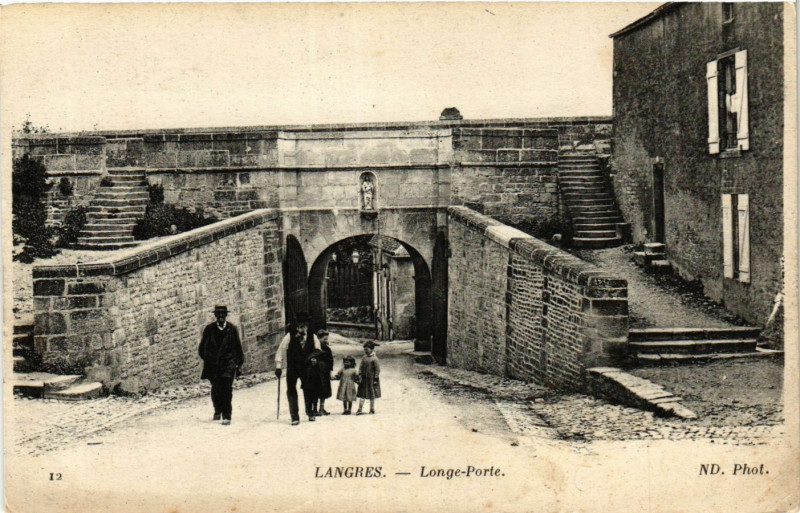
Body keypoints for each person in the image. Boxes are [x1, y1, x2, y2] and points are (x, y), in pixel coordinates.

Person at [198, 305, 244, 426]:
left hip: (228, 364)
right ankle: (217, 409)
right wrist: (209, 360)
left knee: (227, 389)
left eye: (223, 314)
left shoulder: (232, 329)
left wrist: (238, 364)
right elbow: (202, 349)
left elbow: (238, 347)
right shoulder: (209, 329)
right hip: (214, 365)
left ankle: (227, 415)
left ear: (226, 315)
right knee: (216, 389)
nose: (221, 317)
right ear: (215, 316)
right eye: (218, 315)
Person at [274, 313, 320, 426]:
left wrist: (315, 358)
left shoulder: (312, 336)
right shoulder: (290, 336)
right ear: (297, 324)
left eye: (304, 323)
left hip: (307, 368)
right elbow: (281, 350)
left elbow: (318, 350)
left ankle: (309, 412)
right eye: (300, 323)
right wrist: (278, 366)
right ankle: (294, 417)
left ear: (307, 324)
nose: (302, 326)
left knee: (309, 389)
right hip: (292, 368)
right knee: (291, 390)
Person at [355, 341, 381, 415]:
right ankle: (360, 409)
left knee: (371, 394)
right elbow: (360, 367)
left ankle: (372, 409)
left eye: (367, 349)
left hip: (371, 379)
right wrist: (360, 374)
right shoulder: (364, 357)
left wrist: (375, 378)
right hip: (364, 379)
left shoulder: (375, 359)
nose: (365, 351)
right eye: (364, 349)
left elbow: (377, 369)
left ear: (372, 349)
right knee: (362, 394)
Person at [315, 330, 334, 415]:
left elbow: (330, 361)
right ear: (318, 338)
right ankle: (314, 409)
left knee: (324, 390)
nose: (326, 341)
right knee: (316, 390)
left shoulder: (327, 349)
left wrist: (330, 372)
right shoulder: (315, 348)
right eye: (324, 339)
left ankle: (321, 408)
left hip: (325, 372)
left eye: (327, 339)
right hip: (316, 372)